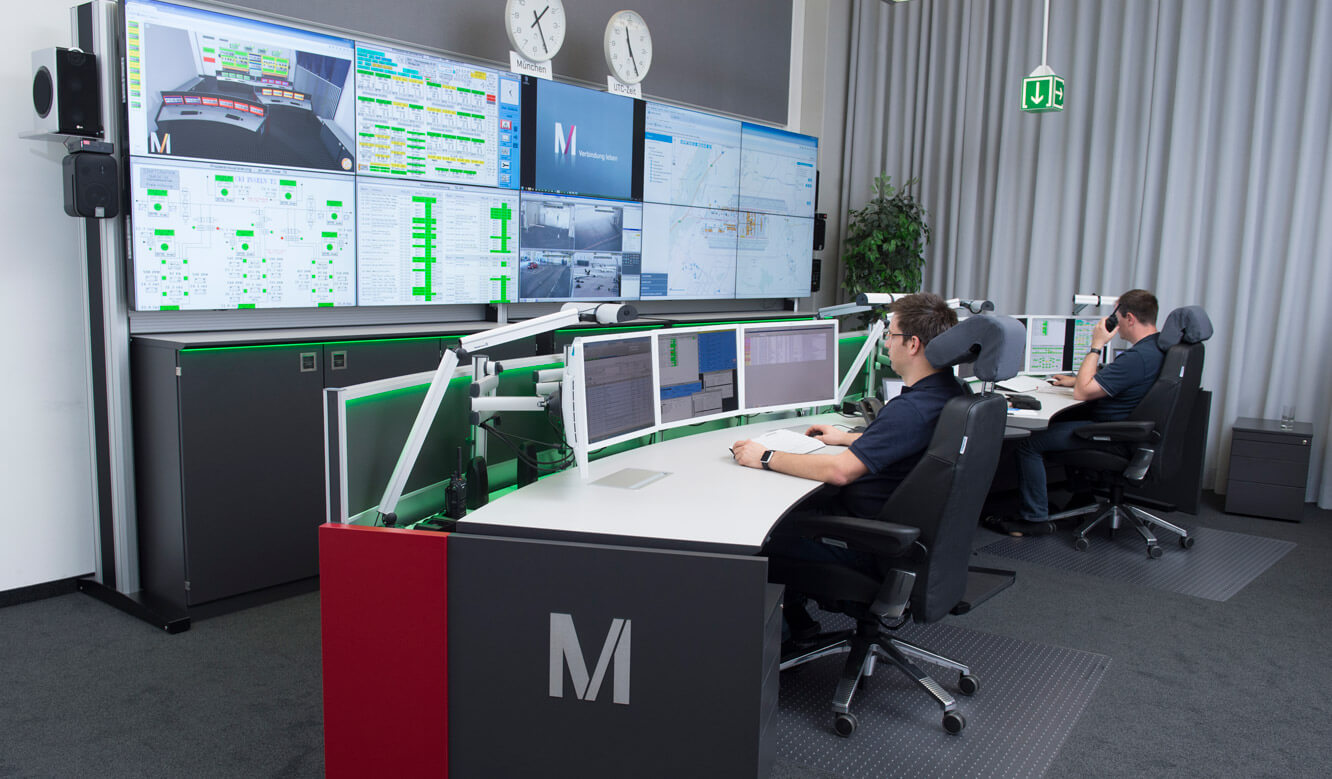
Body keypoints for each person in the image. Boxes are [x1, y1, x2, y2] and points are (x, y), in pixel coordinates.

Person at [730, 292, 962, 639]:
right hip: (912, 539)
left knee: (762, 535)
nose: (886, 342)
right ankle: (797, 620)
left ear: (912, 344)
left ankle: (780, 634)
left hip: (872, 546)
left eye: (891, 334)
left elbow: (839, 472)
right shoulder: (949, 393)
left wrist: (764, 457)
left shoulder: (910, 409)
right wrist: (847, 439)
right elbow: (920, 445)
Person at [987, 289, 1164, 536]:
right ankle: (1081, 498)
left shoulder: (1137, 357)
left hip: (1112, 436)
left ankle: (1034, 518)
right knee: (1067, 420)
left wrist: (1097, 345)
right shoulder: (1156, 349)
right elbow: (1114, 382)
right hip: (1128, 433)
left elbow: (1083, 393)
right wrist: (1075, 380)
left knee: (1029, 443)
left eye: (1116, 316)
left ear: (1130, 318)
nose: (1114, 322)